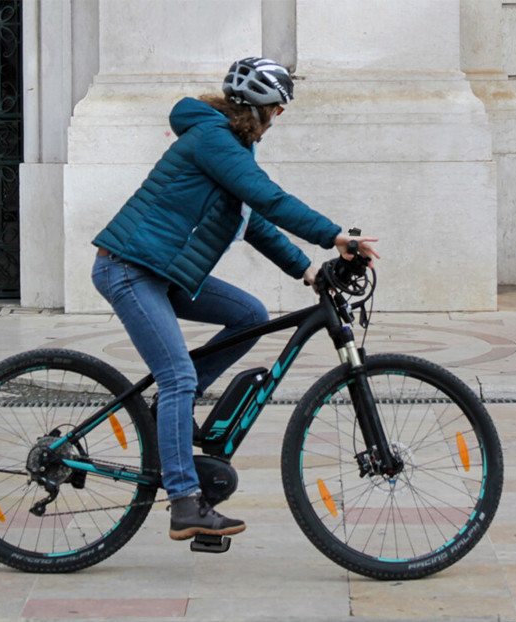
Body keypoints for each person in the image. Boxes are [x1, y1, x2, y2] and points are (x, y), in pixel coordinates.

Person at [91, 57, 380, 541]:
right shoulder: (213, 140)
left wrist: (307, 270)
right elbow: (267, 198)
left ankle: (170, 407)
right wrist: (333, 236)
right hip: (129, 268)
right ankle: (185, 502)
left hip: (163, 271)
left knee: (249, 315)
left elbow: (253, 220)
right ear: (267, 109)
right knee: (179, 373)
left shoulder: (229, 148)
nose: (279, 119)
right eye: (280, 110)